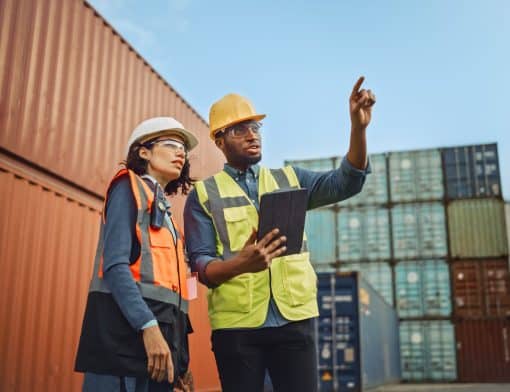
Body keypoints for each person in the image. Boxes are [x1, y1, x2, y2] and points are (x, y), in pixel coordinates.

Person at [183, 76, 376, 392]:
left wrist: (359, 128)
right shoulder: (203, 195)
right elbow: (201, 268)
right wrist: (240, 264)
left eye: (255, 128)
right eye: (239, 129)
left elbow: (348, 182)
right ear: (219, 141)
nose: (251, 135)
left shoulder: (290, 179)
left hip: (294, 320)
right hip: (237, 329)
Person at [75, 117, 198, 392]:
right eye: (171, 144)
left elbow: (179, 295)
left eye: (184, 149)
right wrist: (149, 327)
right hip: (126, 343)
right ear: (144, 151)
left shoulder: (170, 222)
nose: (181, 153)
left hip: (160, 350)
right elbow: (115, 266)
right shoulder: (127, 188)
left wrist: (181, 361)